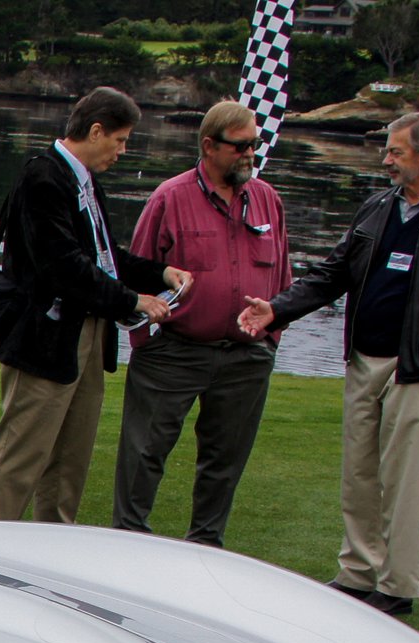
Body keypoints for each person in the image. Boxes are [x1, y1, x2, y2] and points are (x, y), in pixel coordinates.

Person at [240, 111, 419, 617]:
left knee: (403, 478)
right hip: (364, 358)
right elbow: (334, 272)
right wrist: (278, 307)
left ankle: (398, 584)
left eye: (396, 152)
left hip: (414, 369)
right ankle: (357, 572)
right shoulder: (378, 207)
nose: (387, 160)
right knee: (358, 471)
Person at [0, 87, 189, 525]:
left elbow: (105, 256)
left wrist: (161, 274)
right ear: (96, 130)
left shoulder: (83, 180)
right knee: (21, 454)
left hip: (86, 333)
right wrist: (133, 301)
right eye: (121, 139)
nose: (123, 151)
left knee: (70, 460)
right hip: (43, 337)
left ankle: (52, 555)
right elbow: (64, 266)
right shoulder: (44, 177)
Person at [112, 101, 291, 548]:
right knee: (144, 454)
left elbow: (283, 276)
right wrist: (145, 342)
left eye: (255, 144)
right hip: (173, 352)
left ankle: (206, 549)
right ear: (209, 146)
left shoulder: (268, 198)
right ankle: (127, 545)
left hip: (246, 358)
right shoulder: (170, 198)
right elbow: (137, 270)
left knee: (225, 461)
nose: (250, 154)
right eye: (241, 146)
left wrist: (270, 338)